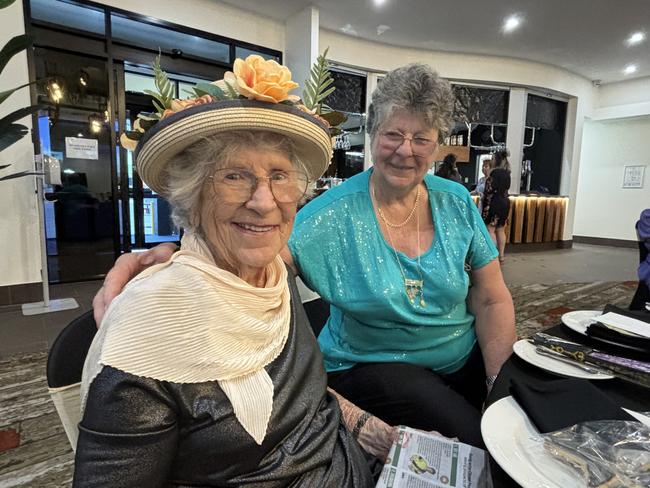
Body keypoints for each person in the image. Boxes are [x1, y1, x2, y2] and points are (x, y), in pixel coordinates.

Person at [94, 63, 516, 448]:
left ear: (437, 144)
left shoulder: (456, 201)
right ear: (372, 137)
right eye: (393, 134)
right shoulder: (327, 216)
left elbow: (491, 297)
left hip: (462, 356)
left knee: (522, 417)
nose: (406, 150)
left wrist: (496, 380)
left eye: (421, 138)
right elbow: (242, 253)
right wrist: (174, 253)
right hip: (374, 368)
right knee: (482, 444)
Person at [73, 58, 387, 487]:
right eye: (235, 176)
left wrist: (362, 425)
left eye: (279, 176)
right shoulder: (145, 340)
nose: (264, 201)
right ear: (193, 196)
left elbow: (300, 401)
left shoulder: (273, 274)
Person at [481, 149, 511, 263]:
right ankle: (501, 255)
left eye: (493, 159)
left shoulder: (495, 173)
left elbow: (489, 189)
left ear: (496, 161)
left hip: (494, 204)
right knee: (500, 229)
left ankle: (492, 255)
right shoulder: (507, 173)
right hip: (505, 203)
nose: (491, 160)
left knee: (490, 229)